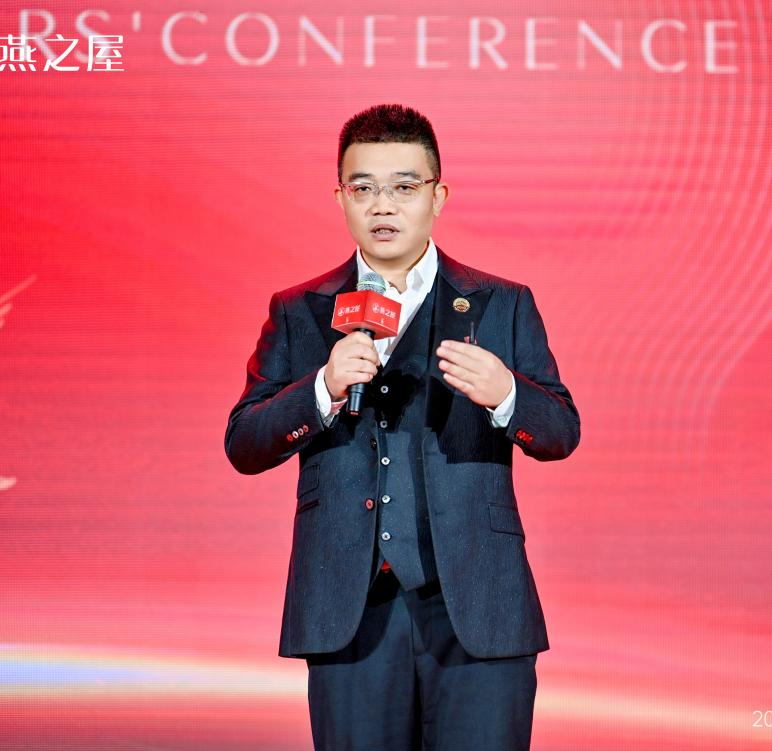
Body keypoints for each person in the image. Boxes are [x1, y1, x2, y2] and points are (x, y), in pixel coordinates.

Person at [225, 103, 579, 750]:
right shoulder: (300, 310)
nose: (382, 205)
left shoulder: (501, 302)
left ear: (437, 196)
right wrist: (322, 389)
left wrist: (506, 395)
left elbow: (560, 430)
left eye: (404, 187)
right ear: (340, 198)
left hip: (478, 602)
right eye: (363, 188)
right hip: (350, 609)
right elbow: (245, 443)